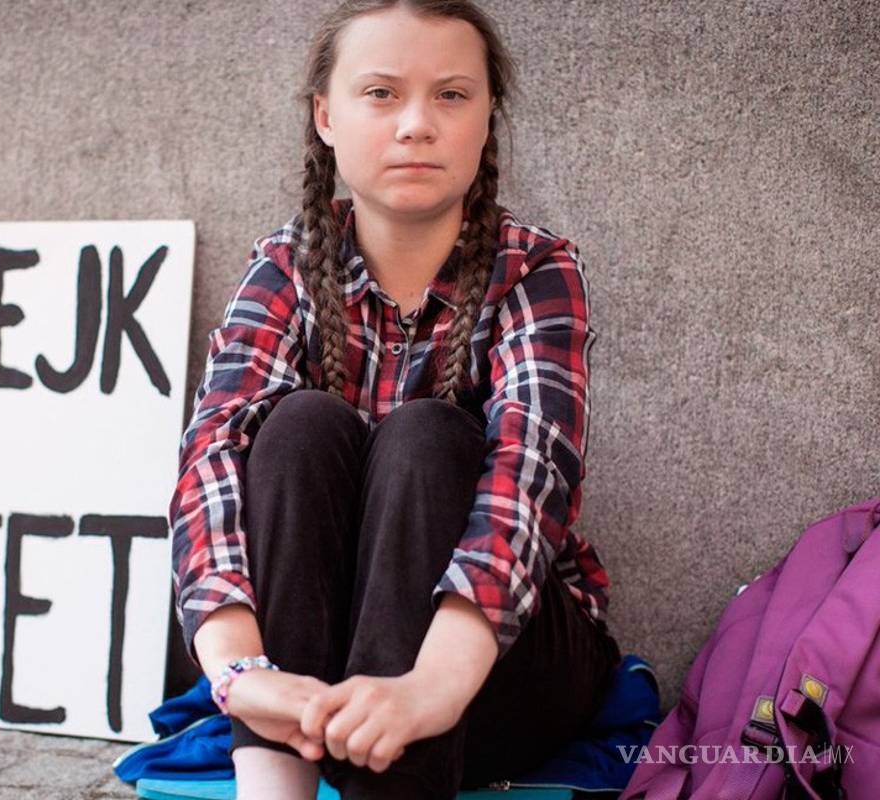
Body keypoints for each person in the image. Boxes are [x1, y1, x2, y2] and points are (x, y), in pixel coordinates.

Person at [168, 2, 622, 798]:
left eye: (451, 95)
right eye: (380, 93)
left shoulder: (536, 271)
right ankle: (272, 787)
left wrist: (425, 691)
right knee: (301, 425)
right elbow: (212, 459)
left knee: (425, 436)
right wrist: (244, 676)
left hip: (487, 672)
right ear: (326, 116)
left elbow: (531, 475)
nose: (416, 123)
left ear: (488, 120)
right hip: (317, 684)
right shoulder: (285, 266)